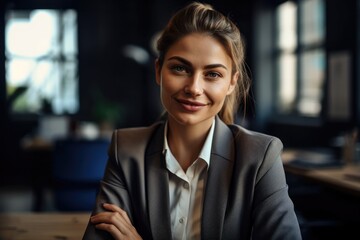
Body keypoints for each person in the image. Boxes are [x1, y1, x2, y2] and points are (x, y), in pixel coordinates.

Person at [82, 2, 302, 239]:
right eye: (180, 68)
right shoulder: (125, 149)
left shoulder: (260, 156)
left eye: (213, 74)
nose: (194, 88)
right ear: (158, 71)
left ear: (231, 82)